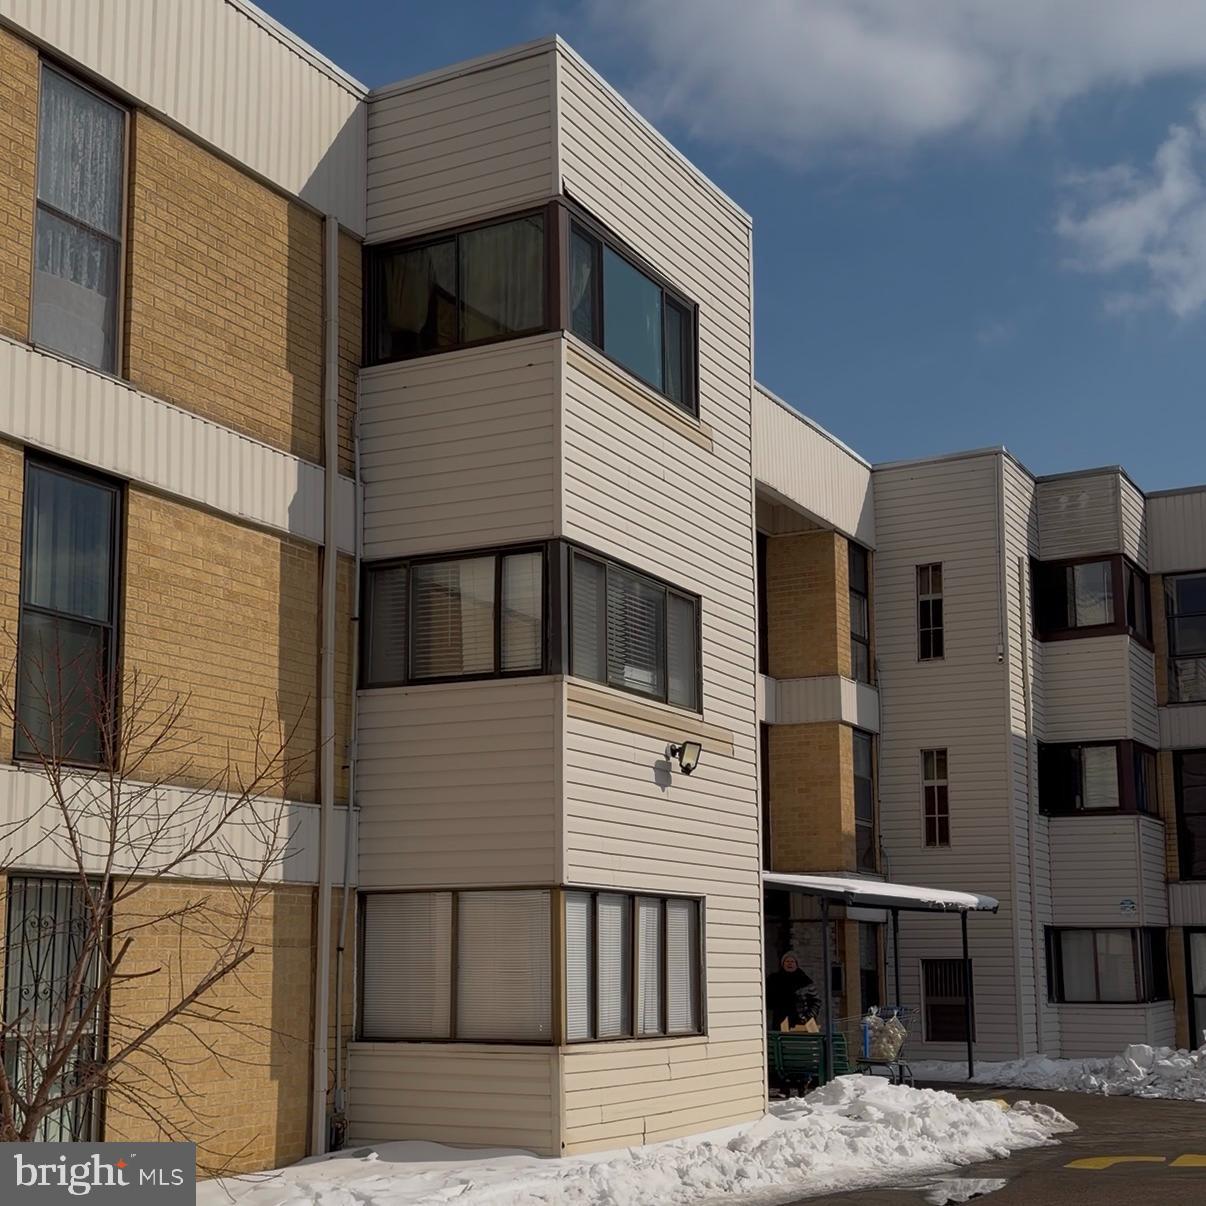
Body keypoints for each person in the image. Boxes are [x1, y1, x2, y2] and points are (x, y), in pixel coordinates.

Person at [766, 950, 822, 1030]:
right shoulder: (774, 979)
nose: (789, 963)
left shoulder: (805, 981)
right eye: (787, 961)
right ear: (783, 964)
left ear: (796, 964)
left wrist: (808, 1016)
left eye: (792, 961)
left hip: (800, 1023)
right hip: (780, 1022)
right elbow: (768, 998)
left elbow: (816, 1001)